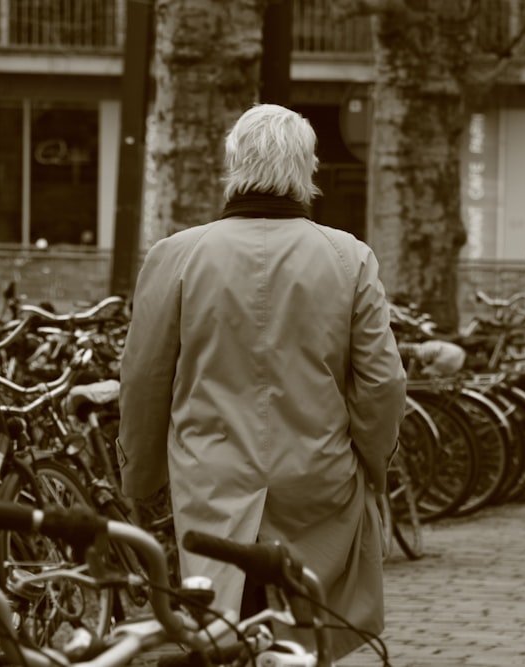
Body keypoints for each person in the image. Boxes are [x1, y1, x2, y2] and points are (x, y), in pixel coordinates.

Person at [117, 103, 407, 659]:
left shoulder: (177, 255)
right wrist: (372, 462)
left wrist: (140, 476)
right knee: (302, 632)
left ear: (233, 164)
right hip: (317, 475)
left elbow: (145, 377)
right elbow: (381, 382)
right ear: (308, 168)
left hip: (212, 476)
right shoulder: (349, 257)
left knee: (221, 627)